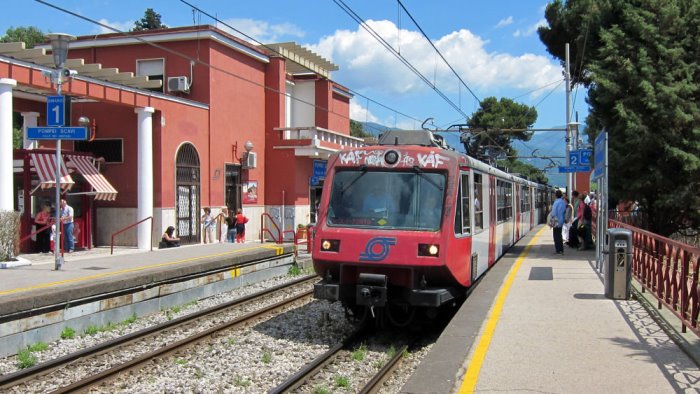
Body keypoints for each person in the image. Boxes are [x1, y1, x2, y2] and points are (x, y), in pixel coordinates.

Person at [550, 190, 566, 254]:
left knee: (556, 236)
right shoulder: (563, 202)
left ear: (556, 195)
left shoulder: (556, 202)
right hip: (561, 220)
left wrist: (551, 220)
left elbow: (553, 213)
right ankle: (561, 249)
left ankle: (558, 250)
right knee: (559, 235)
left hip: (556, 220)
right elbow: (564, 211)